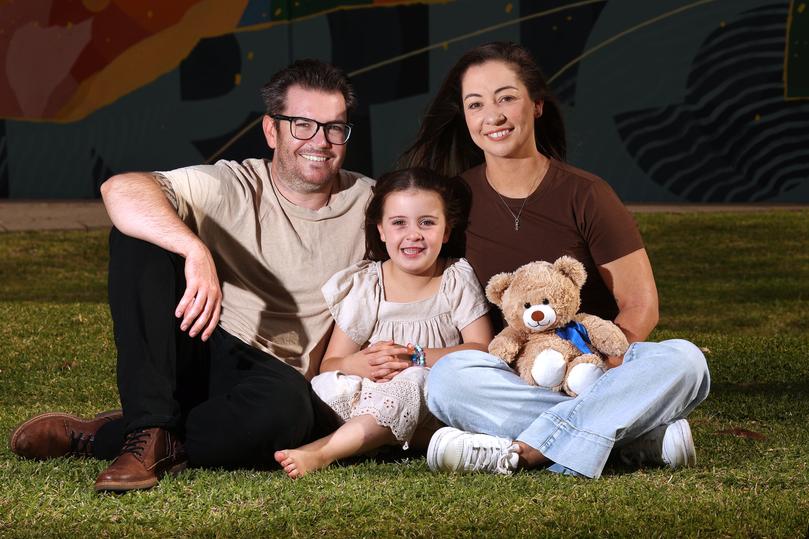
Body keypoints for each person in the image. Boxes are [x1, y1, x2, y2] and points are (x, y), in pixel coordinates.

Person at [8, 59, 377, 492]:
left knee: (287, 413)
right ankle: (151, 425)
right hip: (203, 338)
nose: (320, 141)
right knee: (139, 238)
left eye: (334, 127)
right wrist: (193, 248)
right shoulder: (234, 184)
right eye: (302, 125)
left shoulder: (370, 203)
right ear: (272, 131)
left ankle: (123, 436)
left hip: (273, 380)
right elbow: (121, 189)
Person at [400, 41, 710, 478]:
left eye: (507, 97)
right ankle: (631, 439)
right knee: (450, 378)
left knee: (685, 361)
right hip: (517, 377)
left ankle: (529, 451)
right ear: (465, 116)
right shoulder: (455, 199)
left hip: (597, 371)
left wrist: (604, 362)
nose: (493, 115)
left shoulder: (587, 194)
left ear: (537, 105)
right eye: (476, 104)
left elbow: (641, 304)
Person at [273, 167, 493, 478]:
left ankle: (325, 450)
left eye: (427, 223)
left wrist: (415, 357)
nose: (413, 235)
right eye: (399, 223)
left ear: (446, 231)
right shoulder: (368, 283)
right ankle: (398, 438)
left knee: (415, 378)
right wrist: (360, 364)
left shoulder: (454, 277)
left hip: (428, 395)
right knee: (323, 386)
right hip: (372, 392)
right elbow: (330, 363)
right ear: (381, 230)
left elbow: (482, 349)